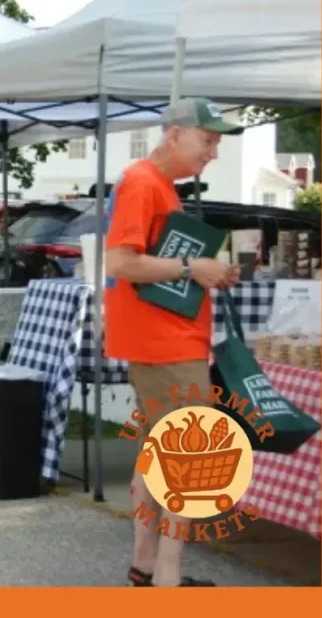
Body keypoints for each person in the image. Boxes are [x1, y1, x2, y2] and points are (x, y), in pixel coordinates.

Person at [104, 97, 243, 588]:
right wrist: (192, 268)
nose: (214, 152)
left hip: (164, 340)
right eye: (208, 140)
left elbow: (152, 266)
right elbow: (119, 263)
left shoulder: (155, 183)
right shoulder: (144, 183)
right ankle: (167, 575)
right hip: (165, 343)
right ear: (175, 134)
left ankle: (147, 567)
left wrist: (209, 273)